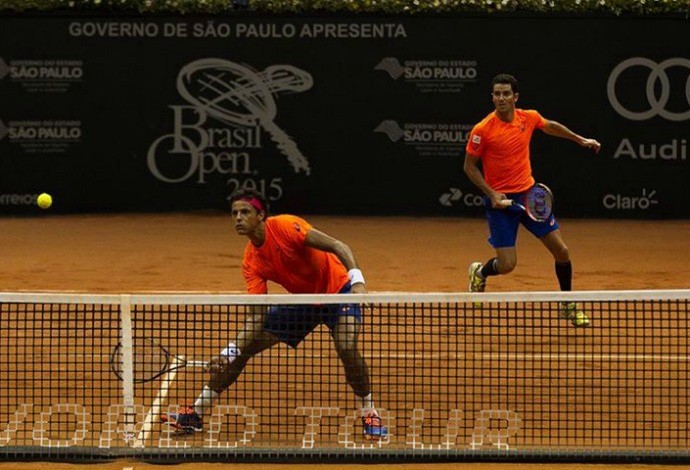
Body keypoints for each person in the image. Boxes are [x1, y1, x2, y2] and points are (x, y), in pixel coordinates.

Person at [162, 188, 388, 440]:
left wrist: (357, 281)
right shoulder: (251, 261)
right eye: (234, 213)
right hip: (303, 302)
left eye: (245, 212)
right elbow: (257, 317)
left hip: (339, 291)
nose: (238, 218)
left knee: (346, 346)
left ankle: (370, 412)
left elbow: (338, 245)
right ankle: (195, 414)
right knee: (244, 349)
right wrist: (230, 351)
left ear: (261, 215)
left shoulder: (286, 226)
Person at [463, 73, 601, 327]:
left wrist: (580, 139)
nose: (501, 98)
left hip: (529, 197)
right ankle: (480, 272)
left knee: (562, 251)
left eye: (506, 94)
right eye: (497, 94)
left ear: (515, 97)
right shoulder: (482, 130)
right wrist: (492, 194)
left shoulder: (528, 118)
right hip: (501, 203)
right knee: (507, 265)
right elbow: (469, 167)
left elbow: (550, 126)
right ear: (492, 97)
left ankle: (568, 304)